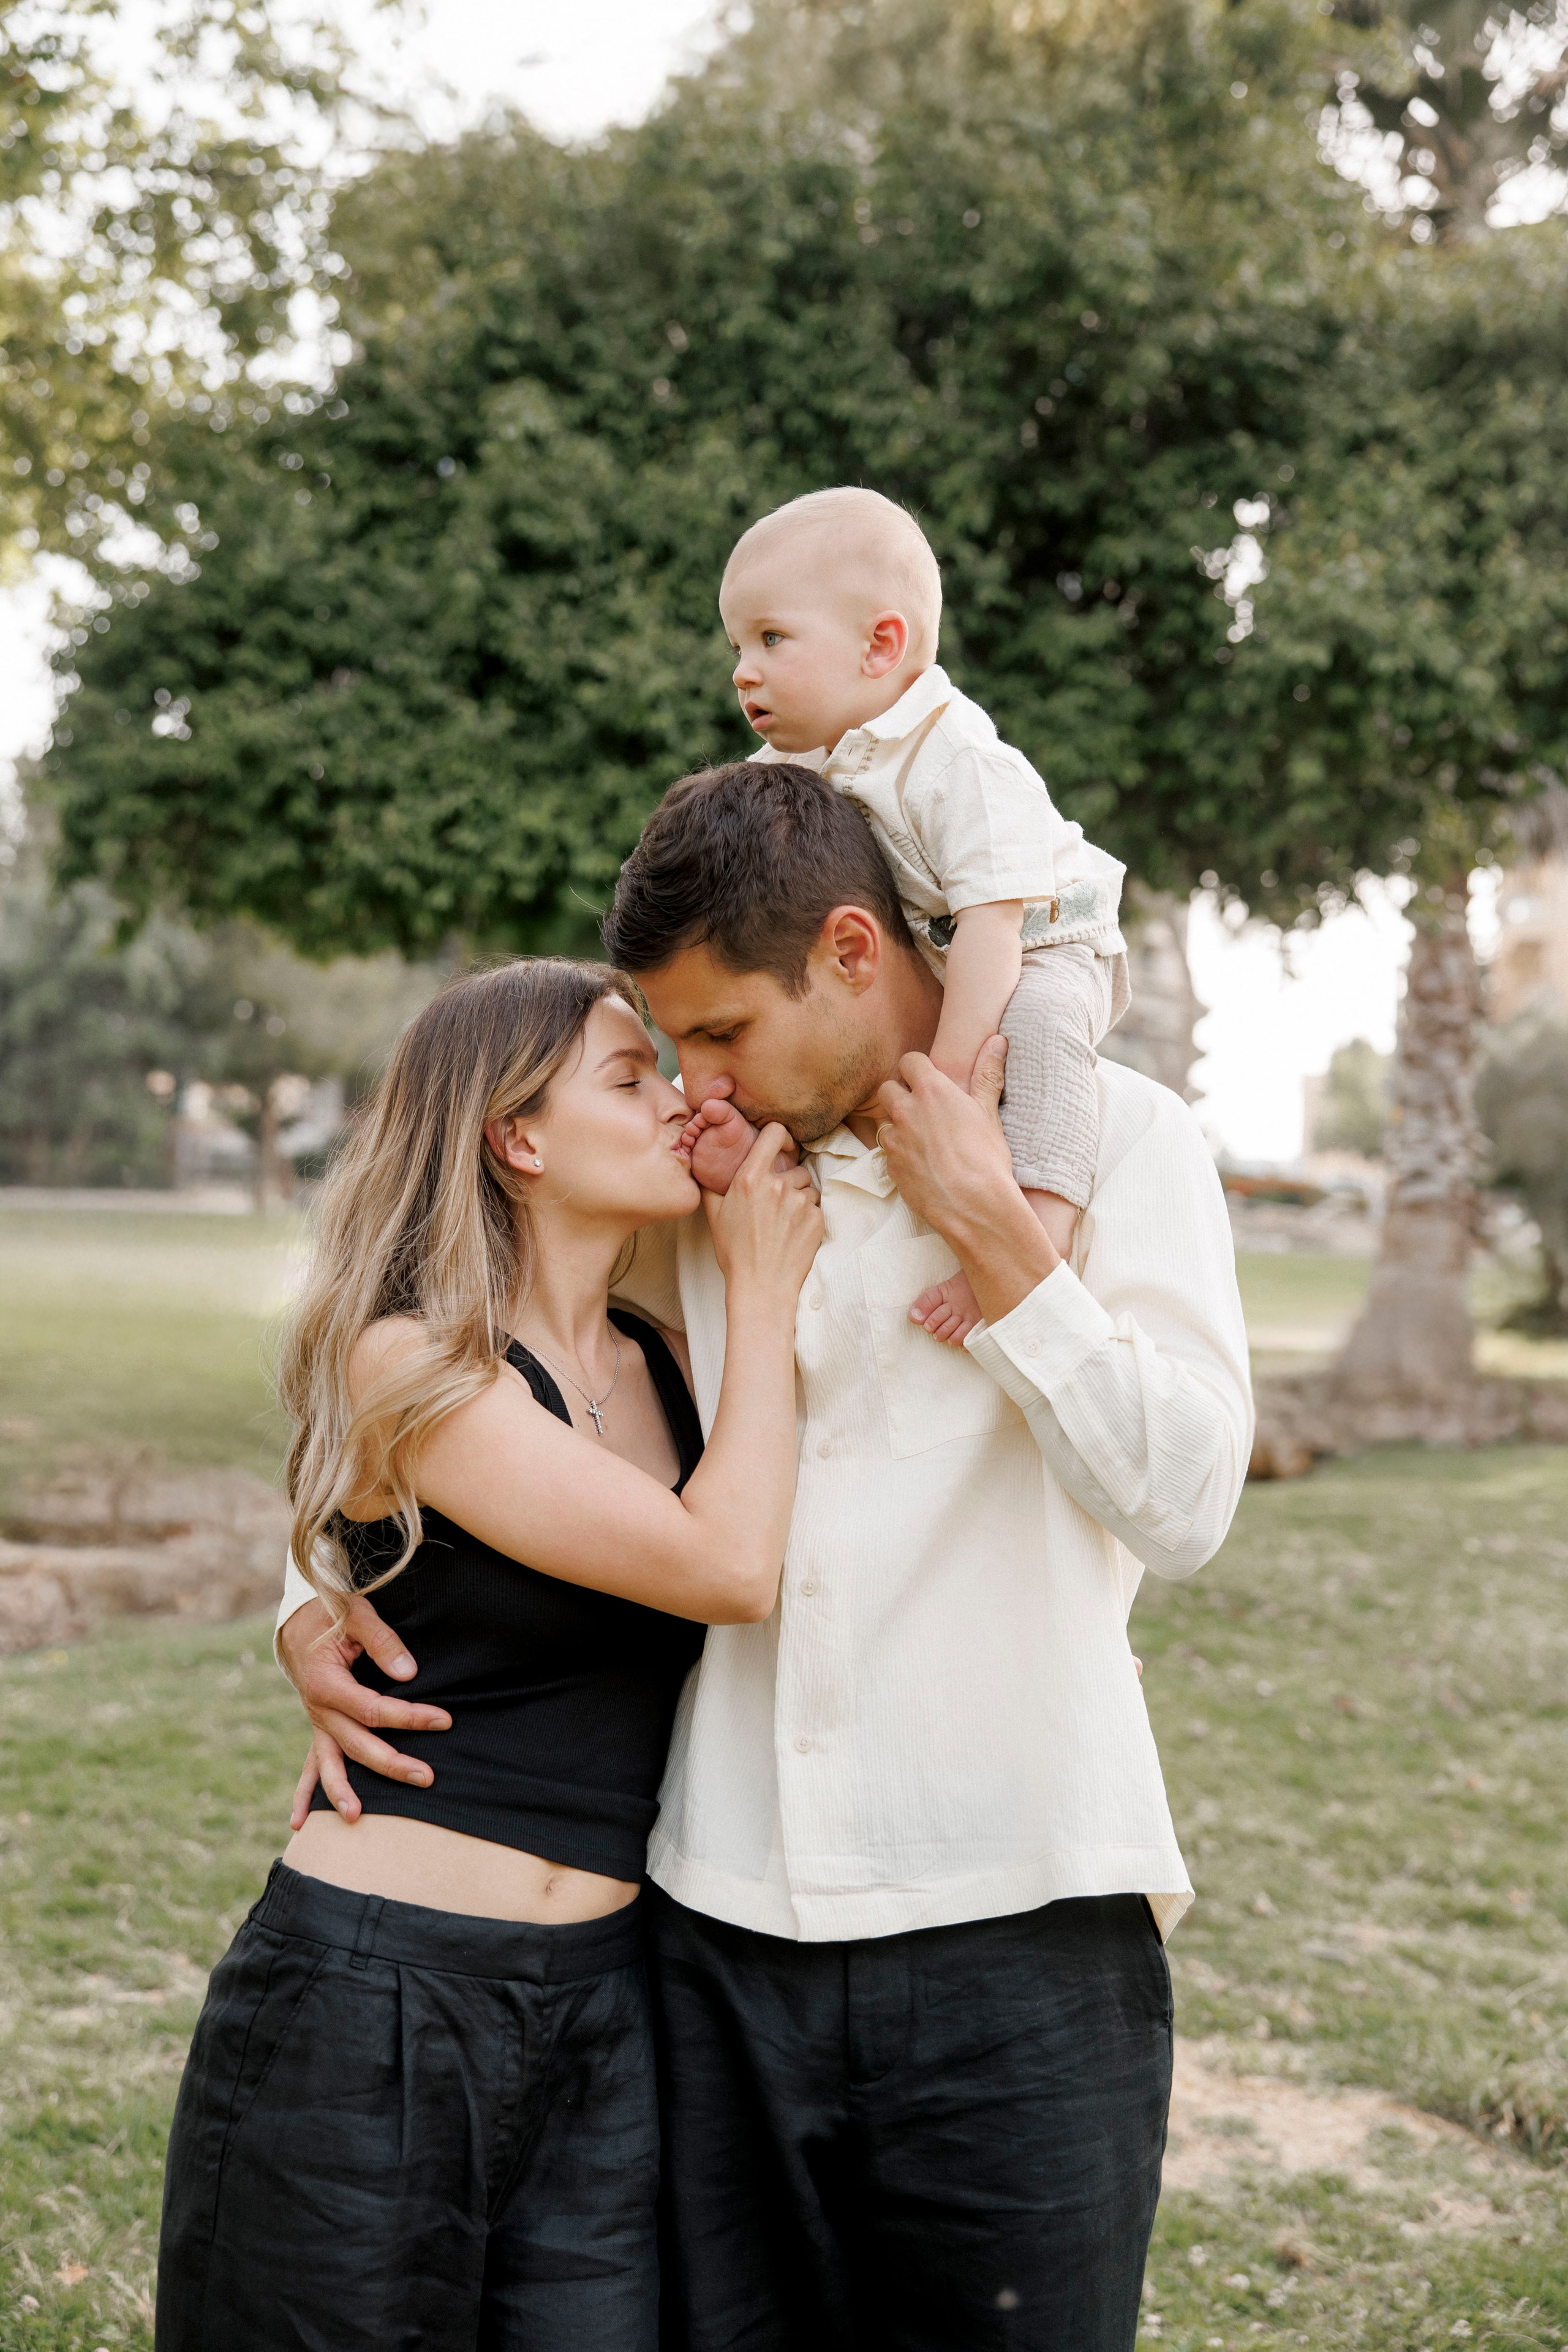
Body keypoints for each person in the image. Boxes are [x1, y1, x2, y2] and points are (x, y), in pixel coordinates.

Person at [281, 763, 1253, 2352]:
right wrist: (307, 1605)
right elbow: (454, 1362)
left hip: (1023, 1935)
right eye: (671, 1050)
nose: (695, 1083)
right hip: (711, 1946)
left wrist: (1008, 1249)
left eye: (722, 1032)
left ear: (855, 954)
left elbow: (1193, 1504)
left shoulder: (1124, 1148)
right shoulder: (712, 1193)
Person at [156, 957, 822, 2352]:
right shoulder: (415, 1364)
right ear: (517, 1138)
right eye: (628, 1078)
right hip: (373, 2001)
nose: (673, 1099)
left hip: (606, 2002)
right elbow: (725, 1569)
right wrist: (764, 1291)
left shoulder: (662, 1361)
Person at [683, 484, 1129, 1349]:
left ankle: (1038, 1234)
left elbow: (996, 931)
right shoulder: (798, 757)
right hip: (945, 944)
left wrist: (951, 1082)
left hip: (1046, 938)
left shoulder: (960, 757)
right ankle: (770, 1166)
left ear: (881, 644)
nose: (744, 669)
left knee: (1037, 1033)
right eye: (737, 644)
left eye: (772, 639)